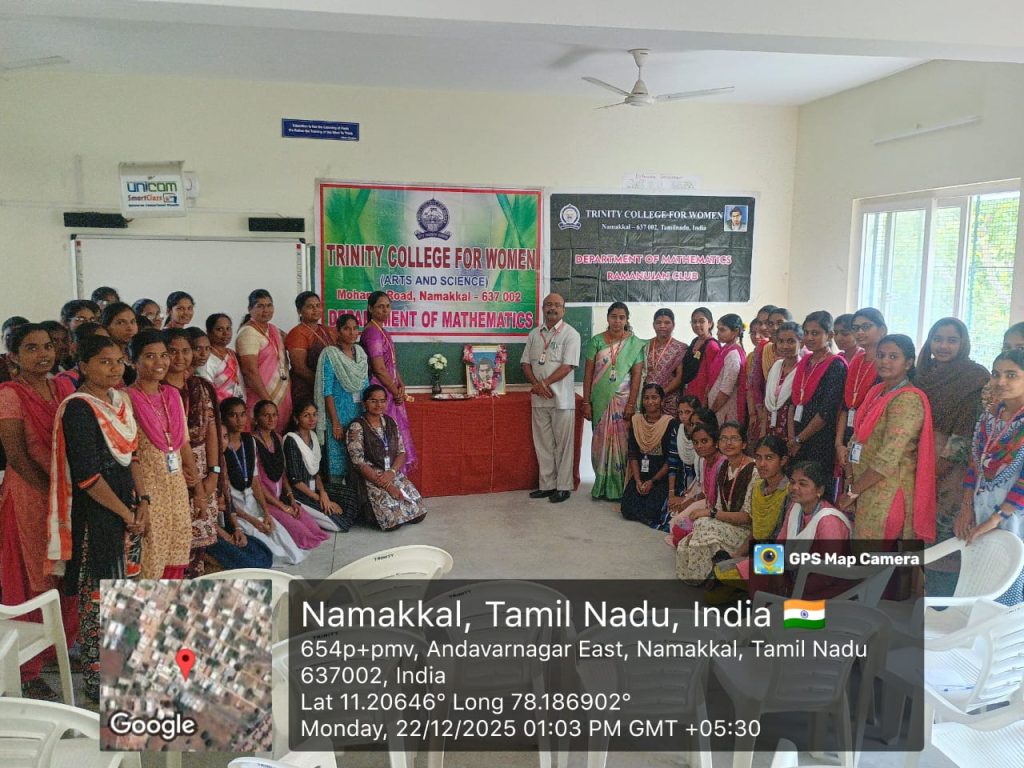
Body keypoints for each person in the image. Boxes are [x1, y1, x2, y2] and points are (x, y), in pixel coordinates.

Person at [49, 335, 145, 702]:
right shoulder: (79, 408)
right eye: (105, 361)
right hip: (97, 518)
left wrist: (144, 502)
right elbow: (88, 477)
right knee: (99, 599)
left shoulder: (119, 401)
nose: (115, 368)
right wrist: (127, 513)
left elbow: (133, 456)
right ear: (84, 366)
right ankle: (98, 681)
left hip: (128, 511)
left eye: (119, 361)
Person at [0, 324, 75, 699]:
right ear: (13, 356)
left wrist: (67, 492)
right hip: (29, 496)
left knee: (66, 571)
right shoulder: (9, 394)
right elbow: (16, 455)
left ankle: (58, 646)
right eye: (31, 348)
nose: (43, 354)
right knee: (31, 578)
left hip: (65, 494)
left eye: (47, 346)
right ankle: (25, 669)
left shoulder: (63, 388)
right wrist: (53, 491)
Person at [915, 318, 991, 593]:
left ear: (963, 344)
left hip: (951, 473)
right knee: (921, 536)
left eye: (952, 340)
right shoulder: (923, 374)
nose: (943, 346)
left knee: (944, 537)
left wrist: (936, 470)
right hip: (920, 462)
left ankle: (944, 604)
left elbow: (964, 436)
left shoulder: (973, 378)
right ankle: (926, 599)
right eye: (938, 339)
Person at [838, 335, 936, 545]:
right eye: (881, 355)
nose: (884, 361)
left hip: (887, 492)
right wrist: (850, 479)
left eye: (893, 357)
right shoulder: (877, 391)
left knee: (875, 558)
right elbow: (857, 438)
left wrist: (852, 492)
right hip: (864, 486)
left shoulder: (908, 399)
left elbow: (887, 458)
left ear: (908, 363)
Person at [955, 348, 1024, 605]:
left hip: (1014, 518)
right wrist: (966, 508)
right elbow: (975, 465)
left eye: (1011, 375)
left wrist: (995, 520)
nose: (1001, 381)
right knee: (980, 581)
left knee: (1009, 583)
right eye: (996, 374)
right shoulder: (989, 417)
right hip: (981, 511)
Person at [126, 329, 196, 579]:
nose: (160, 362)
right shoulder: (125, 398)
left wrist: (197, 489)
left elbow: (183, 443)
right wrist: (141, 497)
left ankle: (169, 604)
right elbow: (128, 453)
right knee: (150, 556)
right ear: (132, 360)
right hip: (147, 488)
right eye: (150, 356)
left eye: (164, 355)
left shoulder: (172, 395)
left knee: (177, 549)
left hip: (176, 486)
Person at [220, 397, 306, 564]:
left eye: (242, 414)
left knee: (283, 538)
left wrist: (266, 512)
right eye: (233, 415)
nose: (239, 420)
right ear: (224, 418)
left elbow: (254, 481)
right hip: (235, 509)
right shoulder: (221, 446)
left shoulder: (249, 441)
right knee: (269, 548)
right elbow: (226, 496)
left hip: (252, 502)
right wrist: (252, 520)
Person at [163, 328, 221, 578]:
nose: (180, 357)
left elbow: (211, 431)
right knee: (175, 544)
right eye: (172, 352)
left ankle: (195, 586)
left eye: (185, 351)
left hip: (203, 467)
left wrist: (214, 473)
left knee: (200, 542)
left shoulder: (200, 387)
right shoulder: (158, 391)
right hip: (171, 471)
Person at [675, 422, 759, 583]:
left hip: (746, 532)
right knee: (693, 533)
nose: (728, 443)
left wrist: (710, 513)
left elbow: (747, 517)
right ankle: (711, 574)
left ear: (744, 444)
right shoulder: (724, 467)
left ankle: (709, 576)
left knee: (702, 528)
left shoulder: (753, 471)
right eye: (724, 439)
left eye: (734, 438)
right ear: (718, 443)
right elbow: (720, 507)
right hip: (727, 526)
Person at [522, 293, 581, 504]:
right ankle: (546, 485)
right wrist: (536, 385)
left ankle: (563, 487)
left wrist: (544, 384)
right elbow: (525, 364)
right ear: (542, 308)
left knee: (563, 446)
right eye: (548, 305)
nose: (552, 308)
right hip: (540, 399)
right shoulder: (534, 334)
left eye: (557, 305)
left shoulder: (571, 334)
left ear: (563, 310)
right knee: (543, 444)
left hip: (562, 400)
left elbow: (568, 366)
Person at [583, 302, 645, 501]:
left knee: (623, 445)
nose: (617, 321)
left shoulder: (634, 344)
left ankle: (620, 488)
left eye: (621, 317)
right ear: (608, 318)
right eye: (614, 317)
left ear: (627, 320)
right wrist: (586, 402)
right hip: (600, 400)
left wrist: (631, 404)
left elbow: (636, 377)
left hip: (624, 401)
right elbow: (588, 374)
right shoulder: (596, 341)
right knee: (600, 443)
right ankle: (601, 486)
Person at [766, 461, 853, 598]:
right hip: (796, 577)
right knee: (755, 565)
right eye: (792, 482)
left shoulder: (829, 521)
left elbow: (828, 572)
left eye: (802, 484)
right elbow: (779, 543)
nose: (794, 488)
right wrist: (777, 575)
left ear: (820, 490)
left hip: (827, 589)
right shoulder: (795, 508)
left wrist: (794, 590)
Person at [252, 401, 332, 547]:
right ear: (256, 418)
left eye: (274, 415)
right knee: (305, 536)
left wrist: (291, 499)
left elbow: (283, 474)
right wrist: (282, 507)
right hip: (263, 501)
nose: (271, 419)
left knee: (316, 531)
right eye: (266, 415)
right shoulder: (252, 442)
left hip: (280, 498)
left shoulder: (277, 437)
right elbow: (257, 483)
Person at [347, 385, 427, 530]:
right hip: (370, 477)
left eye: (382, 401)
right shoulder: (356, 426)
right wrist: (388, 486)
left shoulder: (390, 422)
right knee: (391, 522)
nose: (379, 405)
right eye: (373, 401)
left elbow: (402, 452)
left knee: (419, 513)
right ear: (364, 403)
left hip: (390, 472)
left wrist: (392, 472)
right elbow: (358, 463)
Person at [787, 311, 847, 487]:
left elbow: (826, 411)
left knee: (813, 487)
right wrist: (792, 438)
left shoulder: (836, 365)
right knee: (795, 486)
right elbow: (793, 402)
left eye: (815, 333)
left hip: (819, 439)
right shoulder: (805, 361)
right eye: (806, 333)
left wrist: (799, 439)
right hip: (796, 438)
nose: (809, 338)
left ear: (829, 335)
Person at [206, 423, 274, 570]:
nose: (222, 442)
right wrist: (225, 535)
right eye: (217, 438)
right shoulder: (203, 467)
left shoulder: (222, 462)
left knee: (264, 554)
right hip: (208, 530)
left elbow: (228, 502)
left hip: (225, 523)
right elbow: (201, 514)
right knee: (254, 565)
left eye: (225, 437)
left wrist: (237, 529)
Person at [361, 291, 417, 469]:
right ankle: (387, 475)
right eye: (380, 306)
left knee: (394, 434)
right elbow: (379, 368)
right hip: (380, 392)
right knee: (385, 436)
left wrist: (401, 384)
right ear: (370, 308)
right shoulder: (372, 332)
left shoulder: (383, 331)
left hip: (391, 390)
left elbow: (391, 364)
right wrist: (395, 391)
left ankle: (397, 476)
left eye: (388, 306)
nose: (385, 310)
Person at [316, 313, 370, 496]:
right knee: (338, 460)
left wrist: (366, 417)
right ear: (337, 331)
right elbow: (327, 391)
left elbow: (365, 386)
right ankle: (338, 501)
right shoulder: (330, 355)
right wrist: (335, 423)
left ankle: (358, 501)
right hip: (338, 415)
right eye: (347, 328)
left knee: (358, 458)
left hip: (358, 414)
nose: (352, 332)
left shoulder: (360, 353)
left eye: (355, 328)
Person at [284, 400, 357, 532]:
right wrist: (320, 499)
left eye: (314, 414)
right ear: (296, 418)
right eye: (306, 415)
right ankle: (309, 516)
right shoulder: (291, 440)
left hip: (315, 489)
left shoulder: (313, 436)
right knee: (339, 525)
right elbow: (296, 481)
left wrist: (323, 493)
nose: (312, 419)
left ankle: (317, 515)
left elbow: (316, 473)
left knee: (351, 496)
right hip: (299, 494)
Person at [836, 308, 887, 468]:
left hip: (872, 440)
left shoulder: (887, 366)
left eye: (866, 327)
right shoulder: (856, 361)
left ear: (882, 330)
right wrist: (838, 443)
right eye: (856, 328)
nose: (860, 332)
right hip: (848, 436)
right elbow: (846, 406)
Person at [620, 384, 675, 527]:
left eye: (654, 397)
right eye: (646, 398)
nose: (650, 402)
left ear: (662, 400)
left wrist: (653, 481)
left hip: (659, 477)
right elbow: (633, 454)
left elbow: (670, 459)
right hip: (641, 475)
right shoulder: (636, 421)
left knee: (653, 510)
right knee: (626, 508)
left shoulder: (669, 423)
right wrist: (638, 480)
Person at [237, 290, 292, 431]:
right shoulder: (248, 333)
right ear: (250, 309)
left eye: (269, 305)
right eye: (260, 306)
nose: (266, 310)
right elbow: (250, 372)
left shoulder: (273, 330)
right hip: (261, 397)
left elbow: (292, 342)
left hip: (281, 396)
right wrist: (268, 402)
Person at [665, 419, 725, 547]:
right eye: (696, 442)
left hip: (718, 510)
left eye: (704, 441)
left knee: (685, 534)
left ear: (716, 443)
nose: (699, 446)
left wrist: (702, 510)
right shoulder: (705, 461)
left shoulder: (722, 464)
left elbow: (720, 501)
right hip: (707, 503)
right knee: (677, 526)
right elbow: (705, 492)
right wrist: (689, 501)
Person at [286, 291, 336, 407]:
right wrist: (321, 385)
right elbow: (300, 368)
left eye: (318, 305)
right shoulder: (297, 333)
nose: (315, 309)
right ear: (299, 311)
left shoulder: (327, 330)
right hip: (306, 389)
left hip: (328, 389)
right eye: (310, 306)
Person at [764, 321, 806, 439]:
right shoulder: (775, 366)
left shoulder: (804, 370)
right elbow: (766, 402)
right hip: (770, 427)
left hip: (793, 430)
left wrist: (793, 438)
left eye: (791, 341)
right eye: (781, 341)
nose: (785, 346)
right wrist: (762, 434)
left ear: (801, 343)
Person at [643, 308, 687, 416]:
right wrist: (652, 397)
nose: (662, 326)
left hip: (669, 400)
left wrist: (661, 394)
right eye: (658, 322)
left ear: (673, 325)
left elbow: (679, 377)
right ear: (653, 325)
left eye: (667, 323)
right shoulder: (645, 345)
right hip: (648, 400)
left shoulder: (680, 348)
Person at [744, 305, 777, 444]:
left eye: (767, 323)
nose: (763, 327)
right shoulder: (760, 350)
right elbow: (753, 385)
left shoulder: (793, 350)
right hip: (761, 410)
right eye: (760, 322)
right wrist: (754, 413)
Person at [707, 313, 746, 425]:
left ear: (736, 332)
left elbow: (726, 390)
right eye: (718, 329)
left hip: (725, 409)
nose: (718, 333)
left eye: (722, 330)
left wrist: (711, 412)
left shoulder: (733, 355)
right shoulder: (725, 349)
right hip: (718, 409)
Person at [53, 322, 109, 399]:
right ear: (75, 347)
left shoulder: (112, 374)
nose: (107, 348)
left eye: (108, 342)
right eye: (99, 343)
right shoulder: (64, 381)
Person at [200, 313, 245, 402]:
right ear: (208, 332)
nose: (225, 333)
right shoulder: (205, 357)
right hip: (218, 406)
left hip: (239, 405)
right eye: (219, 329)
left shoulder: (232, 354)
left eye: (228, 328)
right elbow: (206, 390)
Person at [665, 395, 703, 499]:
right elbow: (672, 462)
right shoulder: (677, 430)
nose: (683, 416)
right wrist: (671, 492)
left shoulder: (703, 432)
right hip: (681, 484)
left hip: (700, 486)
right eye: (680, 413)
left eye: (687, 412)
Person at [681, 307, 720, 404]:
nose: (697, 325)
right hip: (688, 392)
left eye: (701, 321)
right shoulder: (694, 341)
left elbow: (713, 376)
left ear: (710, 323)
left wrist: (706, 400)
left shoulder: (712, 346)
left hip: (702, 396)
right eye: (694, 322)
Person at [101, 302, 139, 386]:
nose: (130, 328)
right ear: (106, 326)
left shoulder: (137, 353)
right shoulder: (102, 357)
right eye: (121, 322)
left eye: (132, 322)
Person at [1, 316, 29, 382]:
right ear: (2, 339)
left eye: (19, 336)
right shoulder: (1, 363)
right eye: (8, 336)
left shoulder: (38, 360)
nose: (13, 341)